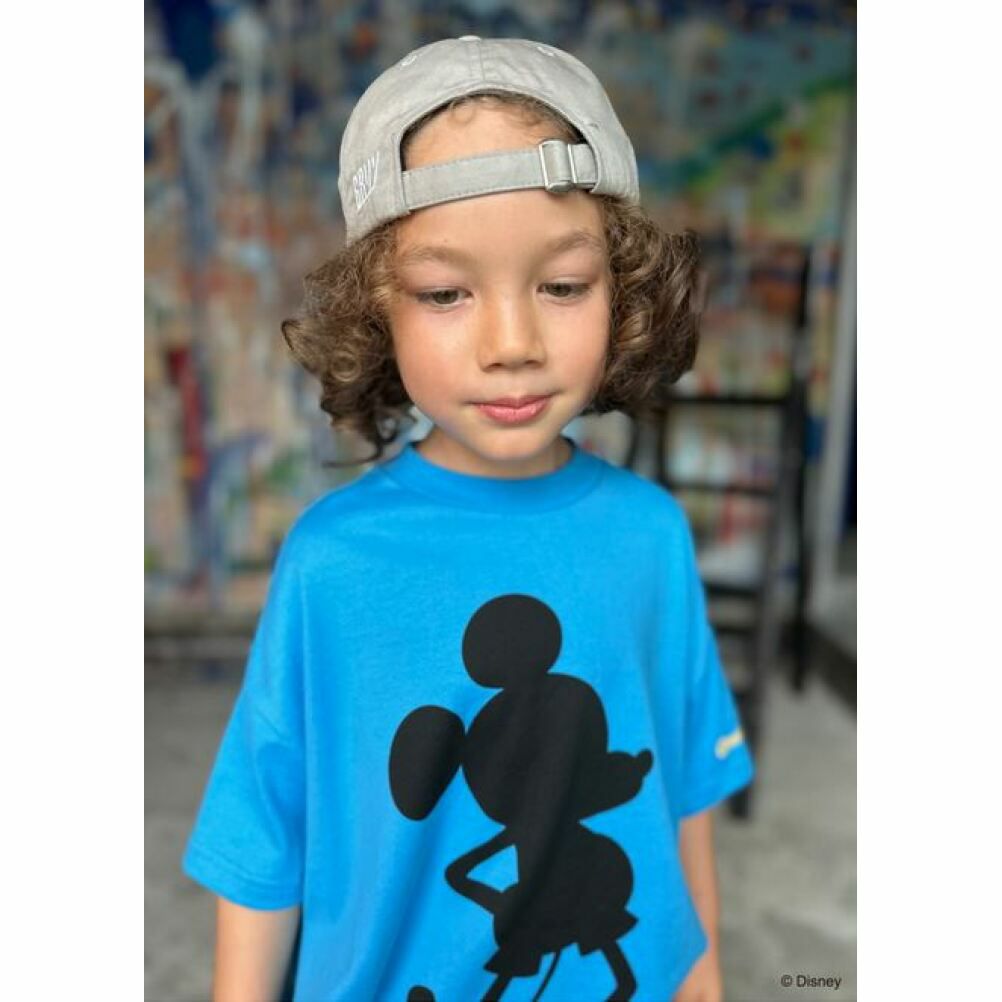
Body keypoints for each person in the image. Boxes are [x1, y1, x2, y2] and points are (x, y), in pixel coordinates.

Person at [183, 36, 754, 1002]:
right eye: (446, 293)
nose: (512, 343)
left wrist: (700, 965)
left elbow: (679, 778)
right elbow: (264, 835)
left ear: (622, 291)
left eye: (562, 285)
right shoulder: (333, 562)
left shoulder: (650, 536)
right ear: (378, 310)